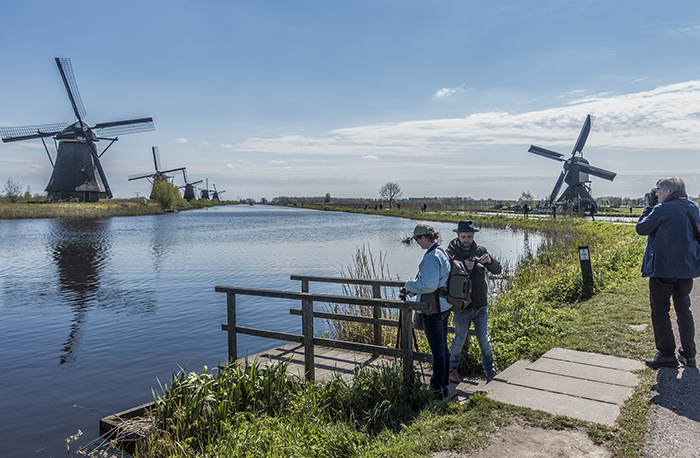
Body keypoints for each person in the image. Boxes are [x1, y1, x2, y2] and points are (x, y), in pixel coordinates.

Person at [636, 177, 700, 369]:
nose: (655, 194)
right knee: (683, 310)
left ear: (667, 191)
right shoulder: (693, 207)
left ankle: (666, 354)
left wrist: (648, 207)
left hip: (663, 268)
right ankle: (689, 354)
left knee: (660, 311)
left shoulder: (663, 209)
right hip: (686, 269)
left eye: (657, 190)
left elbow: (642, 228)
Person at [400, 223, 452, 399]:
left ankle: (436, 388)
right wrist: (413, 290)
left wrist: (408, 285)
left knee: (437, 350)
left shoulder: (431, 257)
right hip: (443, 306)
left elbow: (429, 284)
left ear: (424, 237)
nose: (416, 242)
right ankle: (444, 384)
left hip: (432, 309)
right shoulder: (441, 251)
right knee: (442, 347)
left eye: (417, 239)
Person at [445, 220, 501, 383]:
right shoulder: (451, 253)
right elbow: (446, 275)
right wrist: (463, 266)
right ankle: (452, 369)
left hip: (481, 303)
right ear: (457, 235)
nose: (467, 240)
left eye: (469, 236)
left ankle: (490, 372)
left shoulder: (480, 251)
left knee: (484, 339)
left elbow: (498, 270)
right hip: (462, 305)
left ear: (473, 236)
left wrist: (490, 261)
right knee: (459, 338)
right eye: (464, 236)